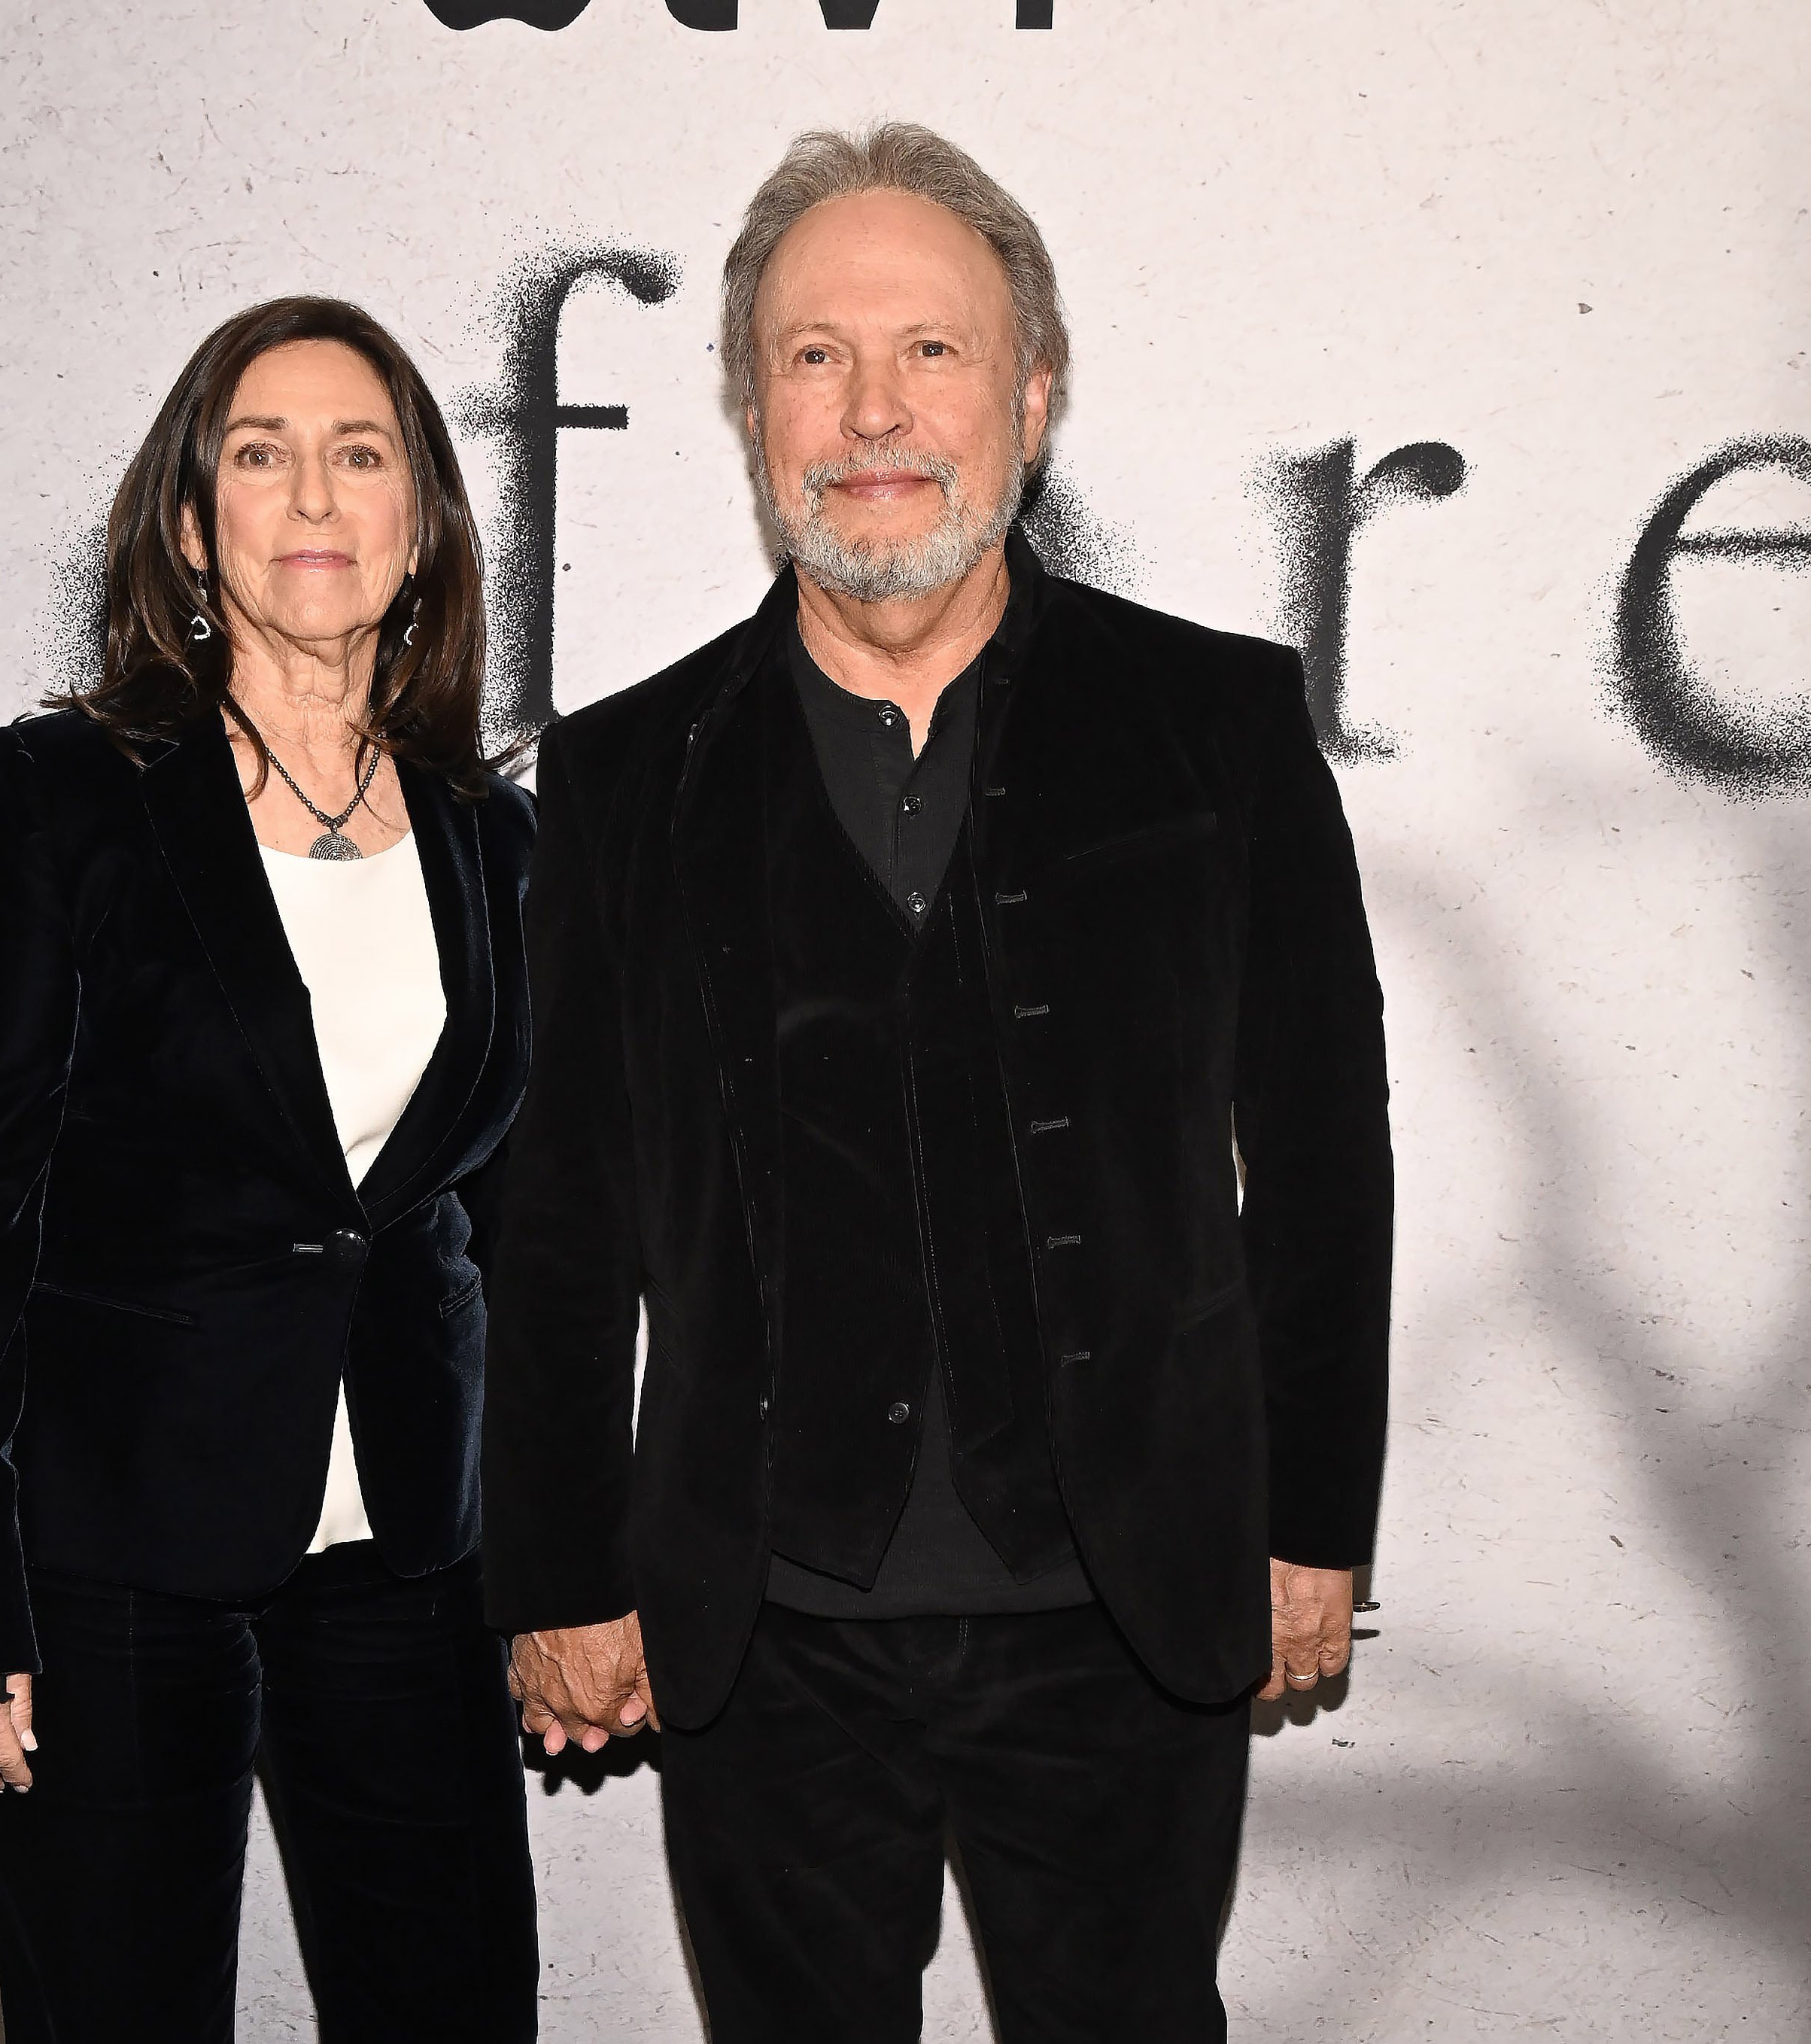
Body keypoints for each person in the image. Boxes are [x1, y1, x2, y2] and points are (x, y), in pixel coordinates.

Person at [480, 126, 1392, 2042]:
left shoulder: (1218, 726)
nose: (874, 409)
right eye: (816, 355)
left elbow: (1320, 1160)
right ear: (752, 408)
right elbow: (560, 1214)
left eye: (935, 352)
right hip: (764, 1639)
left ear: (1033, 392)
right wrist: (557, 1563)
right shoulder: (630, 776)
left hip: (1125, 1613)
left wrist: (1313, 1520)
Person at [0, 297, 539, 2042]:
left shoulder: (494, 829)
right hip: (114, 1552)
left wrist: (568, 1560)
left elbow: (511, 1223)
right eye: (260, 452)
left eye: (361, 451)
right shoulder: (63, 796)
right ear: (191, 520)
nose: (312, 488)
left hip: (406, 1551)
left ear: (422, 524)